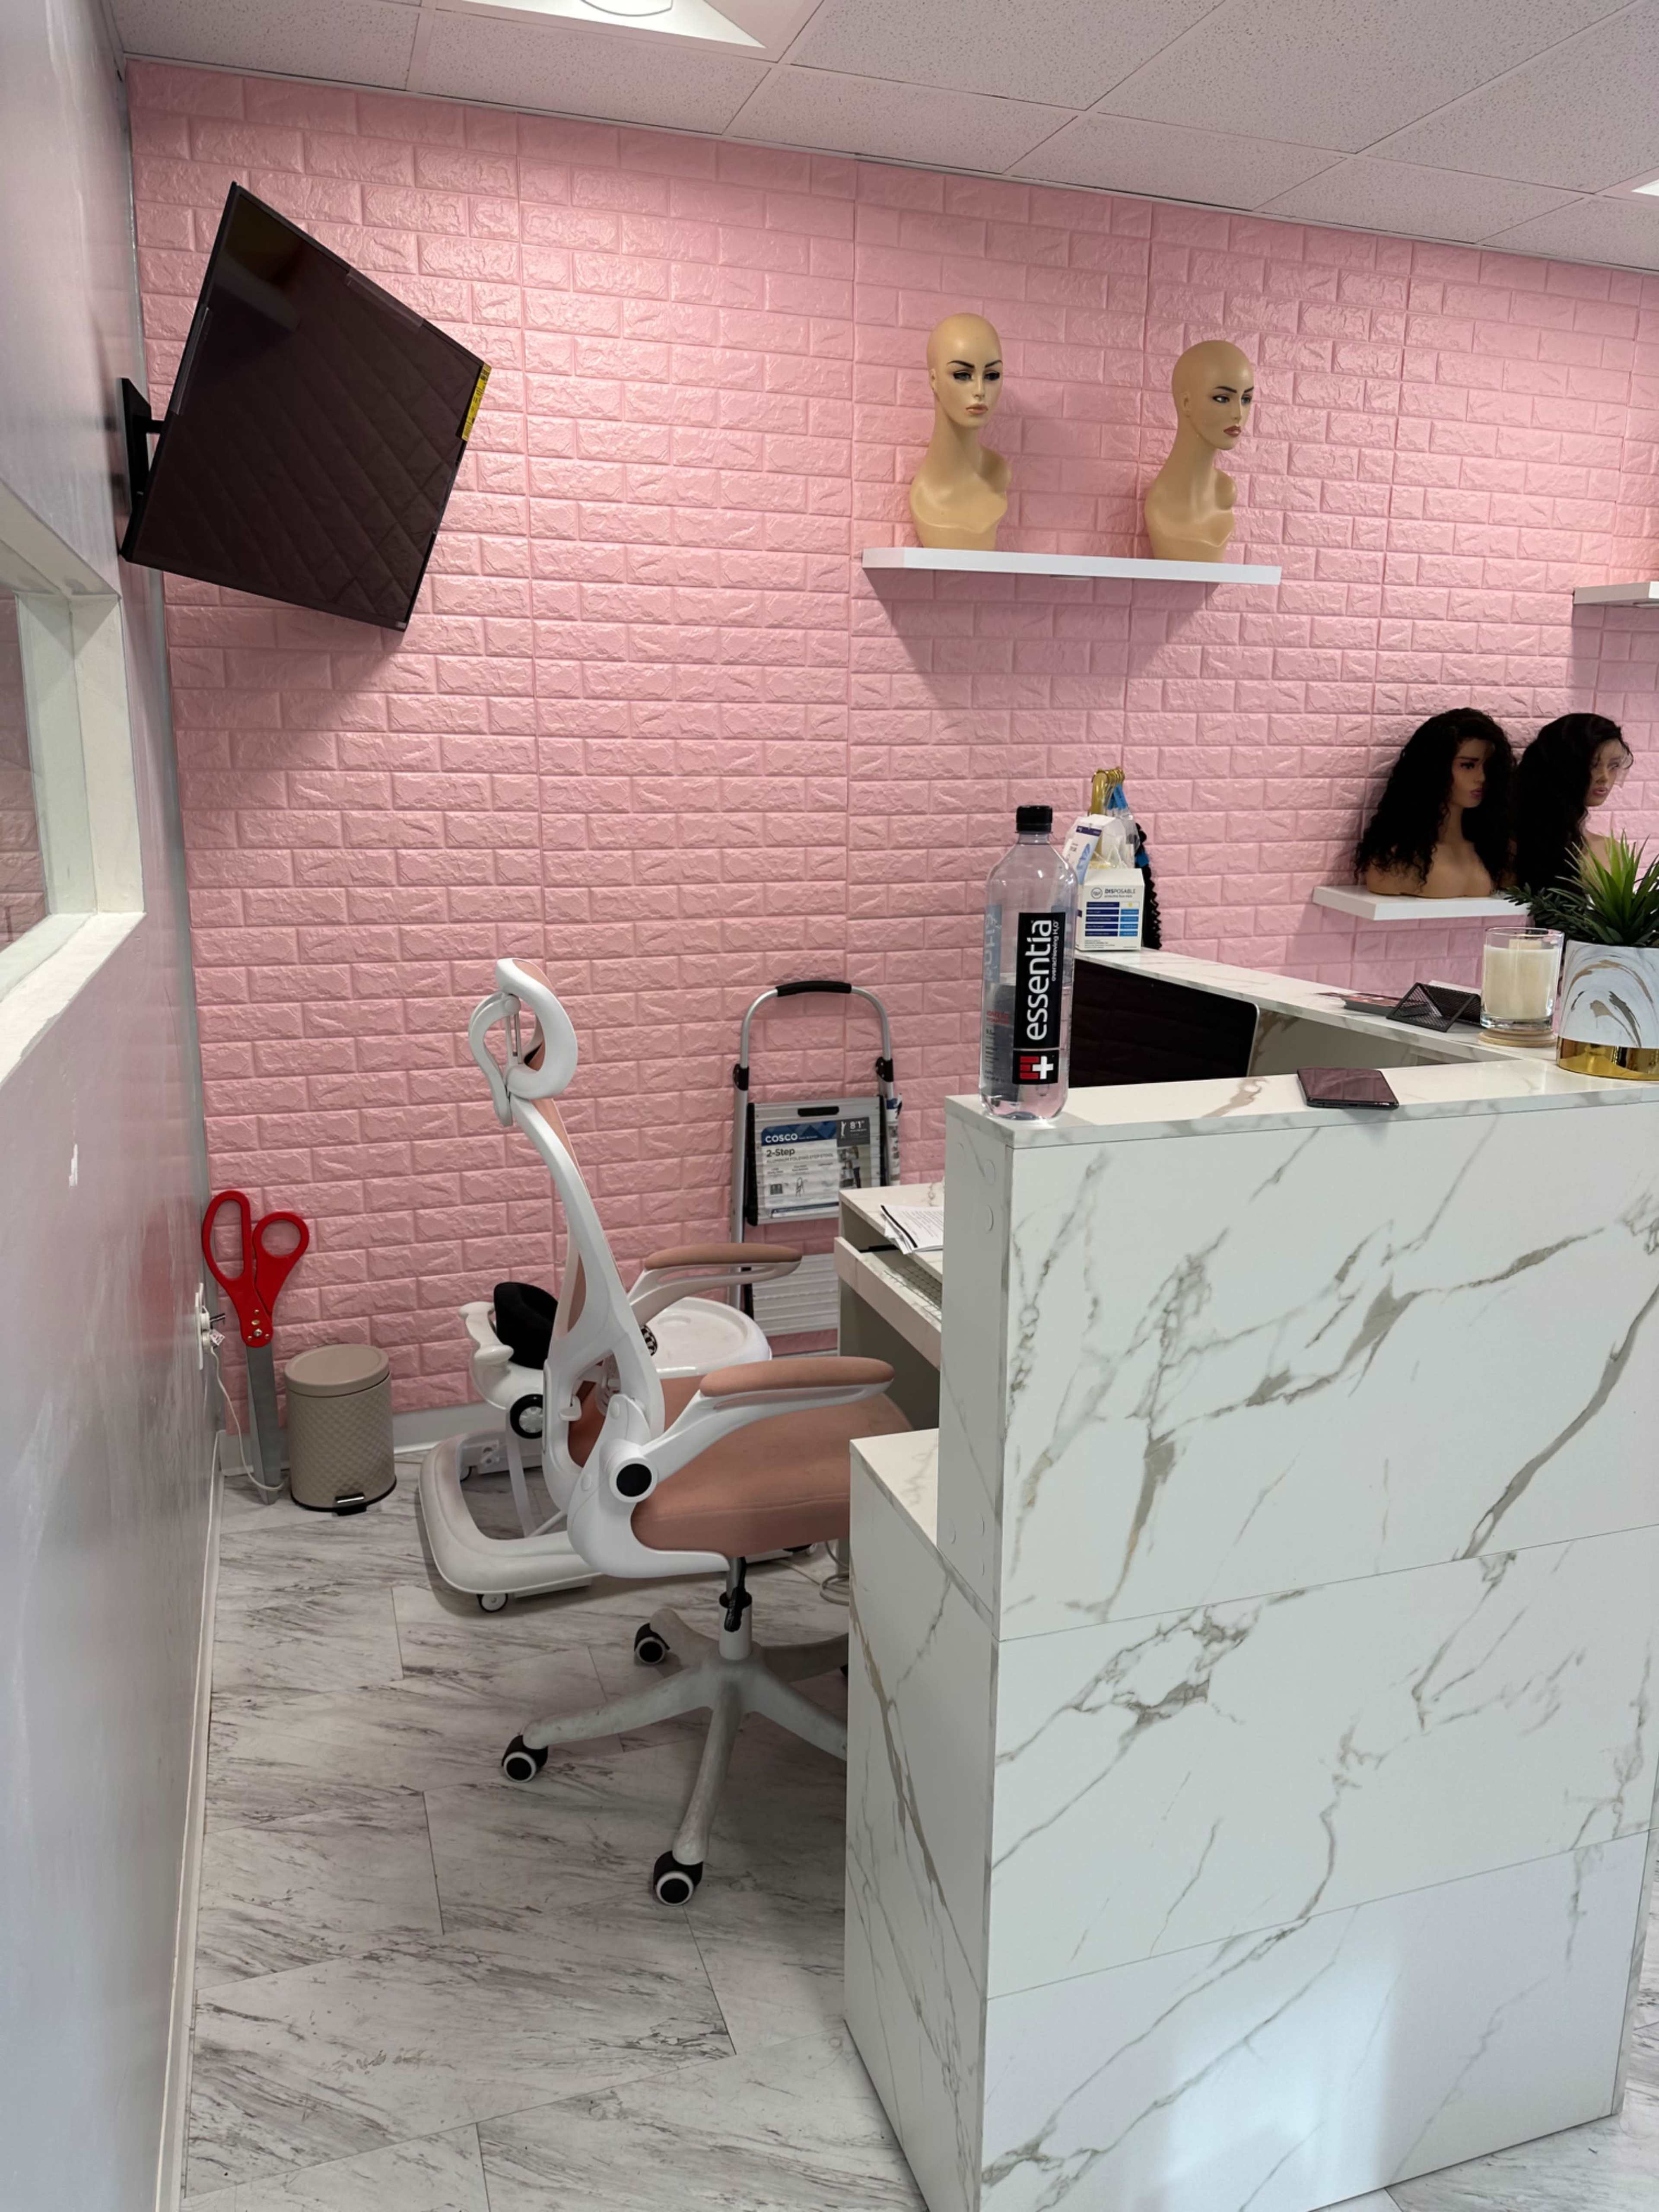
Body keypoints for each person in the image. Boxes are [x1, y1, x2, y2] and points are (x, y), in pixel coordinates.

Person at [1355, 709, 1515, 899]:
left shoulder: (1495, 851)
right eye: (1468, 766)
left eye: (1488, 767)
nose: (1481, 778)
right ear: (1434, 769)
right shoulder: (1395, 860)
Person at [1513, 712, 1634, 892]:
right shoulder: (1515, 847)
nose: (1605, 778)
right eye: (1593, 764)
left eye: (1614, 765)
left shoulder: (1613, 852)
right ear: (1563, 767)